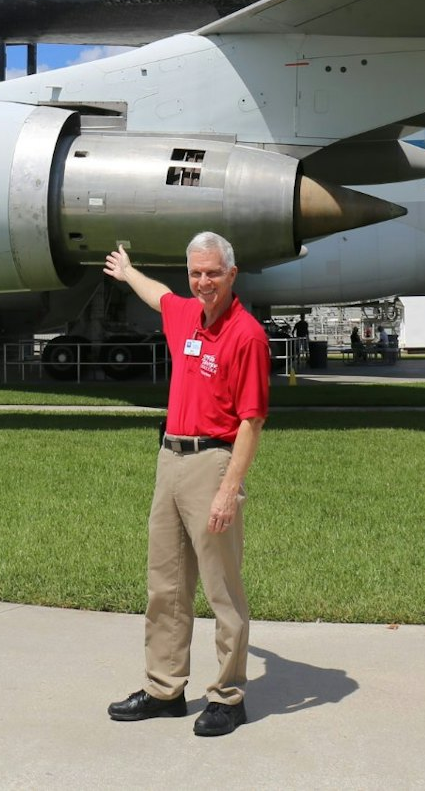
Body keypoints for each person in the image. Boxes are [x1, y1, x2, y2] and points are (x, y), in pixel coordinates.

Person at [104, 231, 269, 738]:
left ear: (232, 274)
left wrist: (229, 490)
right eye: (196, 273)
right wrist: (128, 271)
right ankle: (164, 689)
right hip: (170, 458)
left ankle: (227, 696)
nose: (203, 282)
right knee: (166, 585)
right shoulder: (184, 316)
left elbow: (251, 421)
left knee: (222, 589)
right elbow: (160, 295)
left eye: (213, 273)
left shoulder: (247, 335)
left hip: (213, 462)